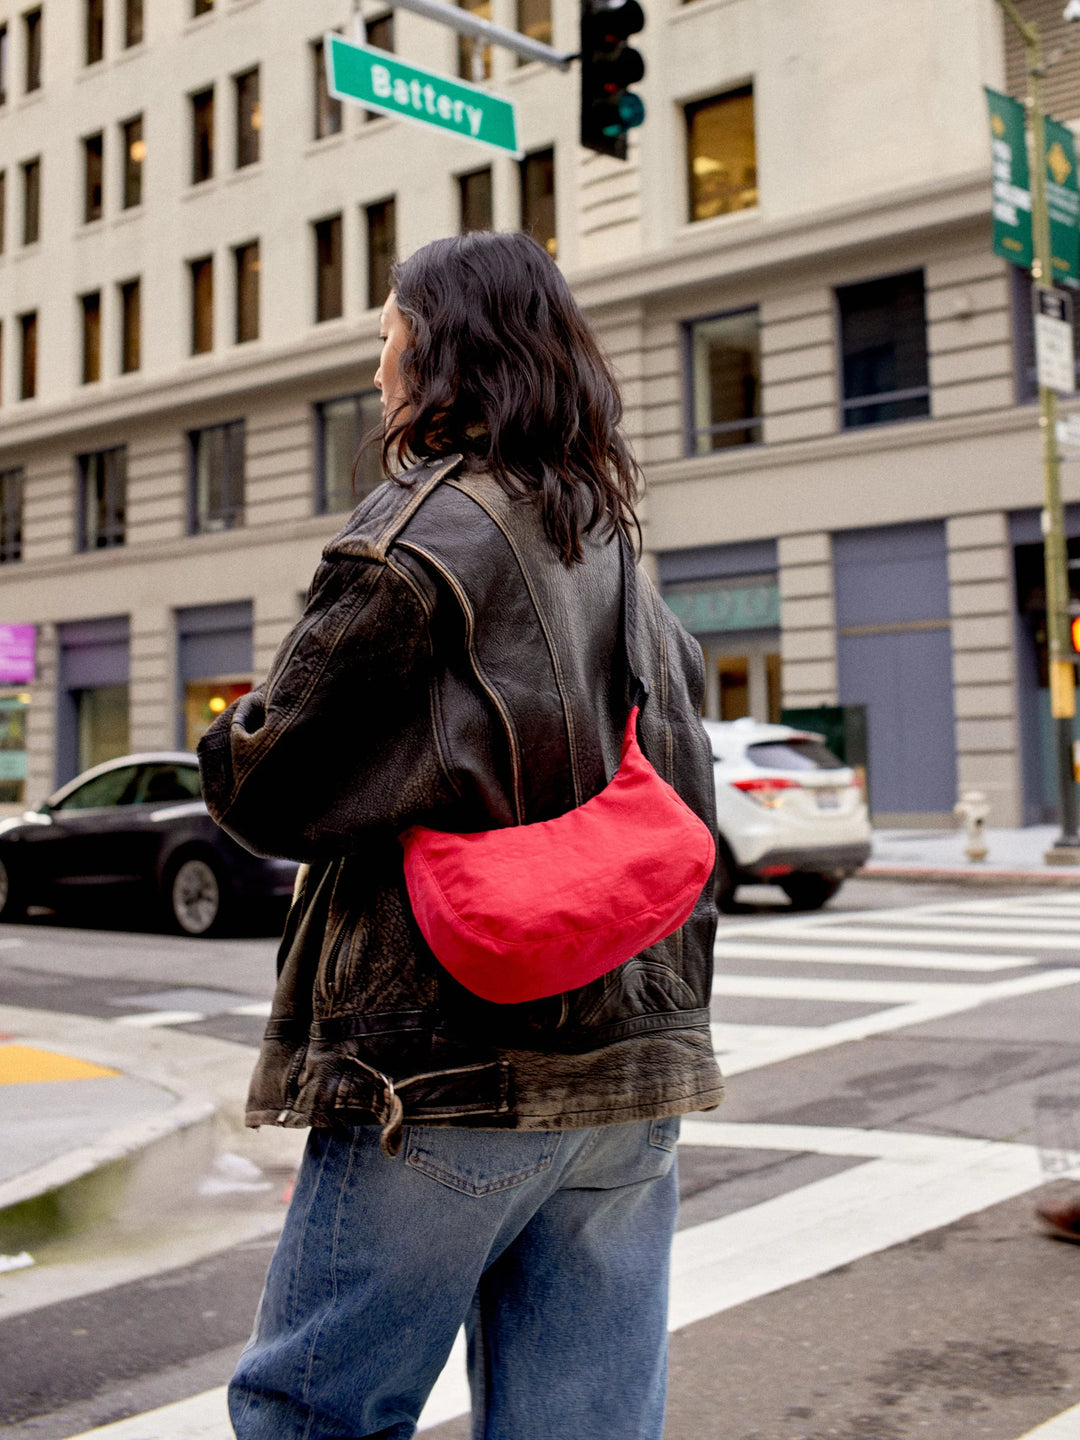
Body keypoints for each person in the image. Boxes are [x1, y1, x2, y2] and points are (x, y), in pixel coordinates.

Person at [198, 230, 724, 1440]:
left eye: (387, 332)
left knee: (312, 1414)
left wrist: (230, 732)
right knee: (578, 1426)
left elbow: (269, 785)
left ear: (435, 350)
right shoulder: (607, 536)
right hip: (629, 1070)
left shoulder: (419, 536)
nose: (378, 364)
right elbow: (688, 790)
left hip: (440, 1069)